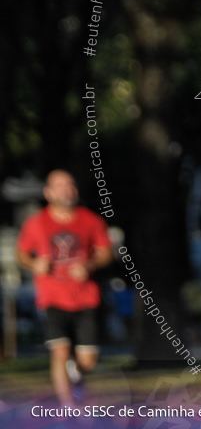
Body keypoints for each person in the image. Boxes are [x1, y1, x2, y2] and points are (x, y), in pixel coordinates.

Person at [15, 170, 114, 405]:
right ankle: (67, 408)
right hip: (52, 296)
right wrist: (34, 263)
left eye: (70, 185)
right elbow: (21, 254)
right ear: (48, 193)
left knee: (87, 360)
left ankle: (76, 372)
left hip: (85, 296)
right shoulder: (36, 222)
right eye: (60, 186)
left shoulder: (91, 220)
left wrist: (89, 265)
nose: (66, 190)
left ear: (75, 190)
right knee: (59, 353)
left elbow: (106, 253)